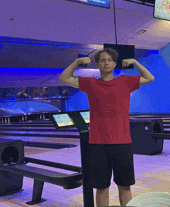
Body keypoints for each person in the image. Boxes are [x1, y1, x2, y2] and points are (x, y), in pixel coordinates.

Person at [58, 48, 155, 206]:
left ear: (114, 63)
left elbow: (149, 77)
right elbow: (64, 77)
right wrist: (77, 62)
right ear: (97, 64)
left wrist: (135, 62)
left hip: (122, 143)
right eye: (102, 60)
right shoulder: (90, 83)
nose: (106, 63)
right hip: (98, 144)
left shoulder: (125, 81)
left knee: (124, 186)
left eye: (109, 60)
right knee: (101, 187)